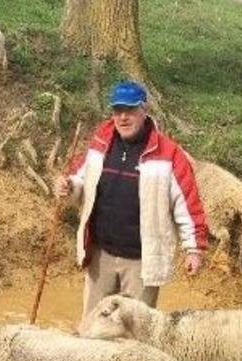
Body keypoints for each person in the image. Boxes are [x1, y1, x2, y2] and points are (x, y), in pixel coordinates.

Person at [54, 81, 208, 322]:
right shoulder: (100, 143)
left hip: (142, 263)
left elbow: (187, 205)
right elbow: (80, 183)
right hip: (100, 256)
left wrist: (194, 249)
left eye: (130, 110)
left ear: (144, 111)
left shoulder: (169, 154)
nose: (123, 117)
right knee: (92, 330)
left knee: (135, 335)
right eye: (117, 111)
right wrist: (69, 187)